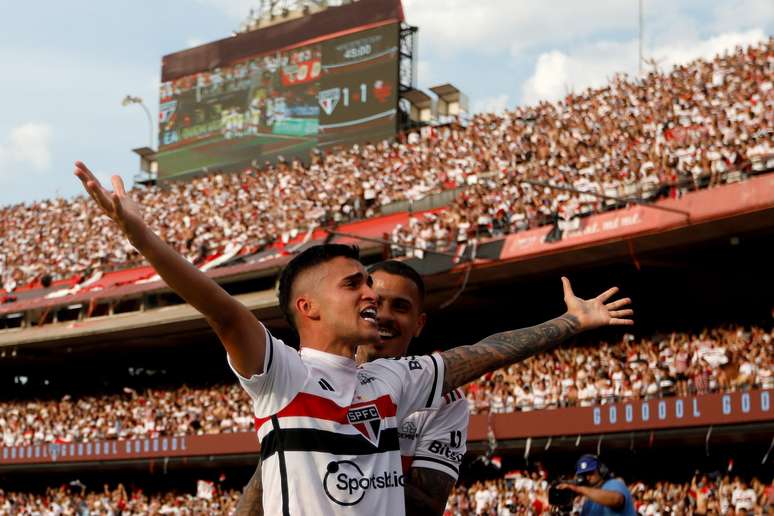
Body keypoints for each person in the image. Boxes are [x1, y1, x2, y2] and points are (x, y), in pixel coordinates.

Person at [74, 161, 633, 516]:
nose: (370, 293)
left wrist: (572, 323)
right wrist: (143, 238)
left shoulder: (393, 379)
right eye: (355, 284)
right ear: (307, 306)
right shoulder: (282, 374)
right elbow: (220, 310)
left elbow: (481, 353)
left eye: (372, 283)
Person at [236, 260, 469, 516]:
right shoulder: (303, 378)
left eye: (400, 307)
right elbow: (269, 477)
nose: (385, 315)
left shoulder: (445, 399)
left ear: (419, 324)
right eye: (375, 303)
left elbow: (425, 504)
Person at [558, 454, 636, 516]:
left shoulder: (614, 483)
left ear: (601, 470)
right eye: (583, 475)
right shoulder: (589, 499)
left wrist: (579, 489)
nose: (587, 477)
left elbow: (617, 500)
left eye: (590, 472)